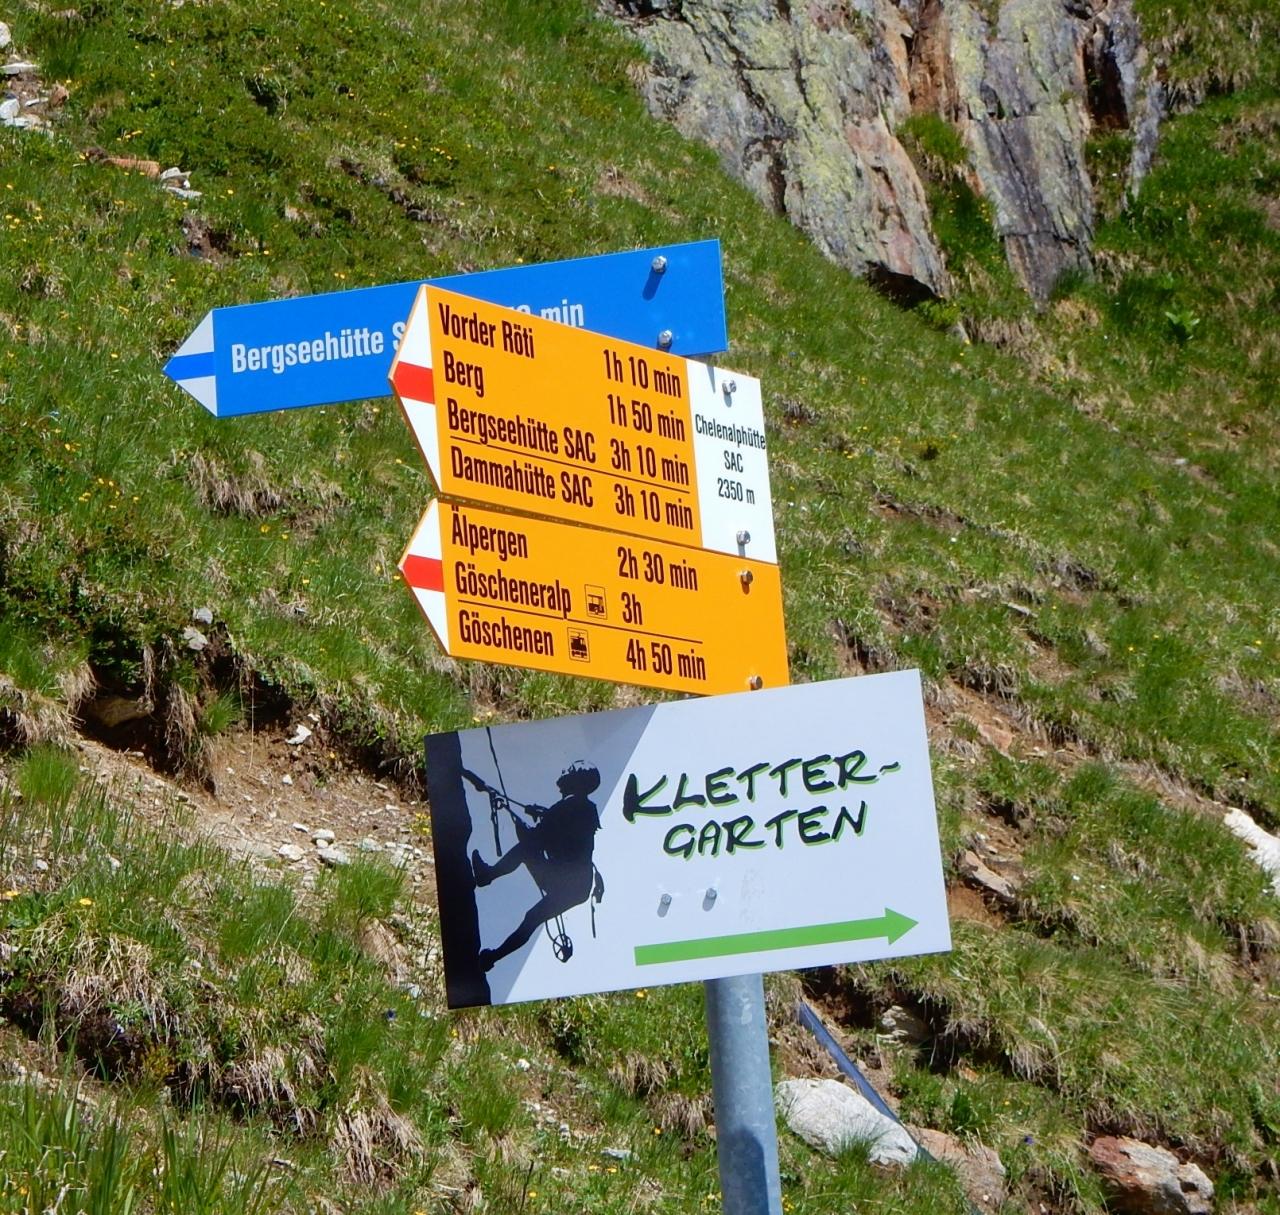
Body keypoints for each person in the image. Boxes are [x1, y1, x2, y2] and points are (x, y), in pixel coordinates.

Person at [471, 760, 604, 971]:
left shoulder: (566, 809)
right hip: (577, 886)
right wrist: (542, 816)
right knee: (532, 918)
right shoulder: (586, 809)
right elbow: (560, 834)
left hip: (563, 881)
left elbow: (537, 839)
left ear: (574, 782)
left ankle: (487, 876)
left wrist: (523, 823)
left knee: (526, 850)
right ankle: (492, 958)